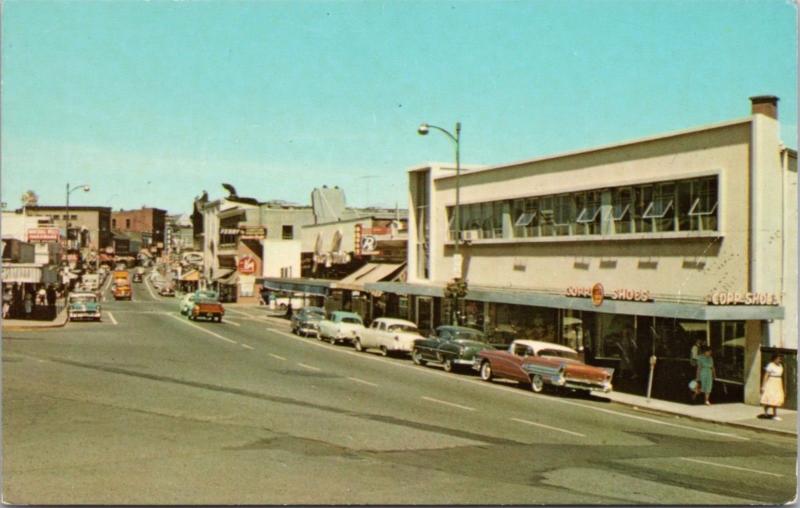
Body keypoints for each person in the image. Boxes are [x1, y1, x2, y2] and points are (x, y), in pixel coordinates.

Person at [760, 354, 785, 420]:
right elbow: (766, 376)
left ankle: (774, 415)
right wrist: (763, 386)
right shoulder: (770, 365)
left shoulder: (780, 366)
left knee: (776, 399)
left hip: (778, 382)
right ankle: (766, 413)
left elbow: (781, 376)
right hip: (771, 382)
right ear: (774, 359)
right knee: (770, 398)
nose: (779, 360)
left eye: (780, 359)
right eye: (778, 359)